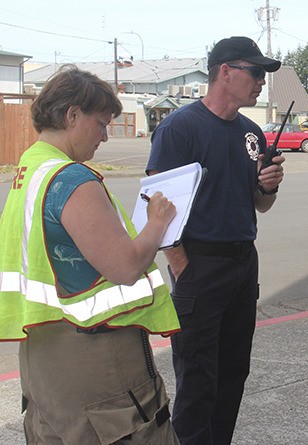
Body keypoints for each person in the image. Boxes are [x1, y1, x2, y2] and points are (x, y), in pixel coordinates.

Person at [0, 66, 182, 444]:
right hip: (95, 360)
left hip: (42, 353)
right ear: (71, 115)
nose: (104, 136)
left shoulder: (29, 170)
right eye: (101, 124)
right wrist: (157, 222)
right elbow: (126, 266)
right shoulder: (72, 180)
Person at [146, 36, 285, 445]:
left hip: (243, 263)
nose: (261, 82)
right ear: (225, 72)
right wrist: (181, 265)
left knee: (232, 374)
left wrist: (269, 185)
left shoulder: (251, 133)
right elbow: (157, 203)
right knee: (198, 379)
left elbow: (259, 205)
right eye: (255, 72)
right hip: (200, 265)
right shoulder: (180, 128)